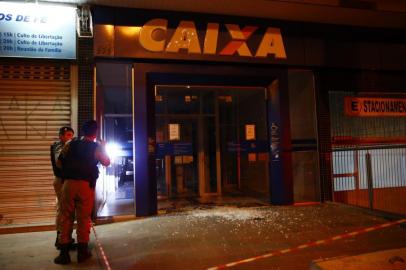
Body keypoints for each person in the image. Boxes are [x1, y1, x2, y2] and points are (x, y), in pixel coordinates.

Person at [54, 120, 110, 265]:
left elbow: (59, 163)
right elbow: (106, 162)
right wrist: (104, 147)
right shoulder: (96, 147)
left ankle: (64, 254)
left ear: (82, 131)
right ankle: (82, 252)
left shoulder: (70, 143)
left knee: (65, 216)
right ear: (95, 132)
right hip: (85, 185)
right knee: (84, 218)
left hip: (68, 184)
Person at [50, 126, 74, 249]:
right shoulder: (58, 146)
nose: (70, 137)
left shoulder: (68, 147)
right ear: (61, 136)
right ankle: (60, 239)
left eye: (71, 135)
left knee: (67, 210)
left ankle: (66, 238)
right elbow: (59, 163)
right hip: (61, 181)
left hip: (66, 181)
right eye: (68, 135)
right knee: (63, 210)